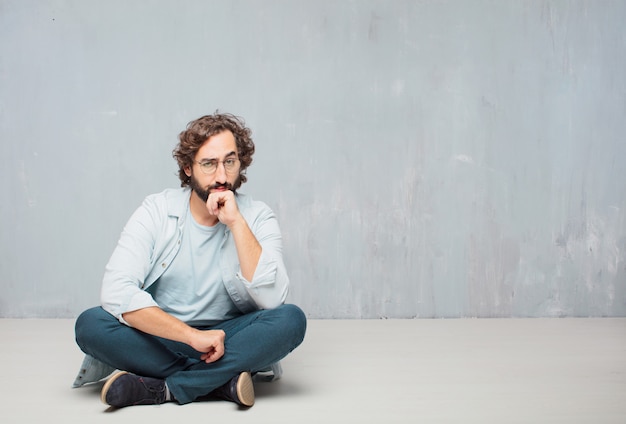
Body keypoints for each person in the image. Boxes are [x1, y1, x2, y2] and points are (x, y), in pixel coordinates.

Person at [73, 112, 307, 408]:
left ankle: (162, 389)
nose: (222, 176)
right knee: (91, 324)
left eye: (230, 162)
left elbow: (273, 300)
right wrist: (189, 336)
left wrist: (236, 224)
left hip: (229, 337)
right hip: (163, 336)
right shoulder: (156, 210)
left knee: (291, 319)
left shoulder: (257, 216)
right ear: (187, 168)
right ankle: (222, 382)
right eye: (209, 164)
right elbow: (117, 290)